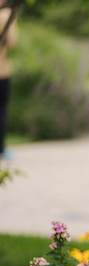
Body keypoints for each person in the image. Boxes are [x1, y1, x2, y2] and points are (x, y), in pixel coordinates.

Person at [0, 0, 17, 160]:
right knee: (2, 110)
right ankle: (1, 149)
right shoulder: (6, 15)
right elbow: (12, 42)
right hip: (2, 71)